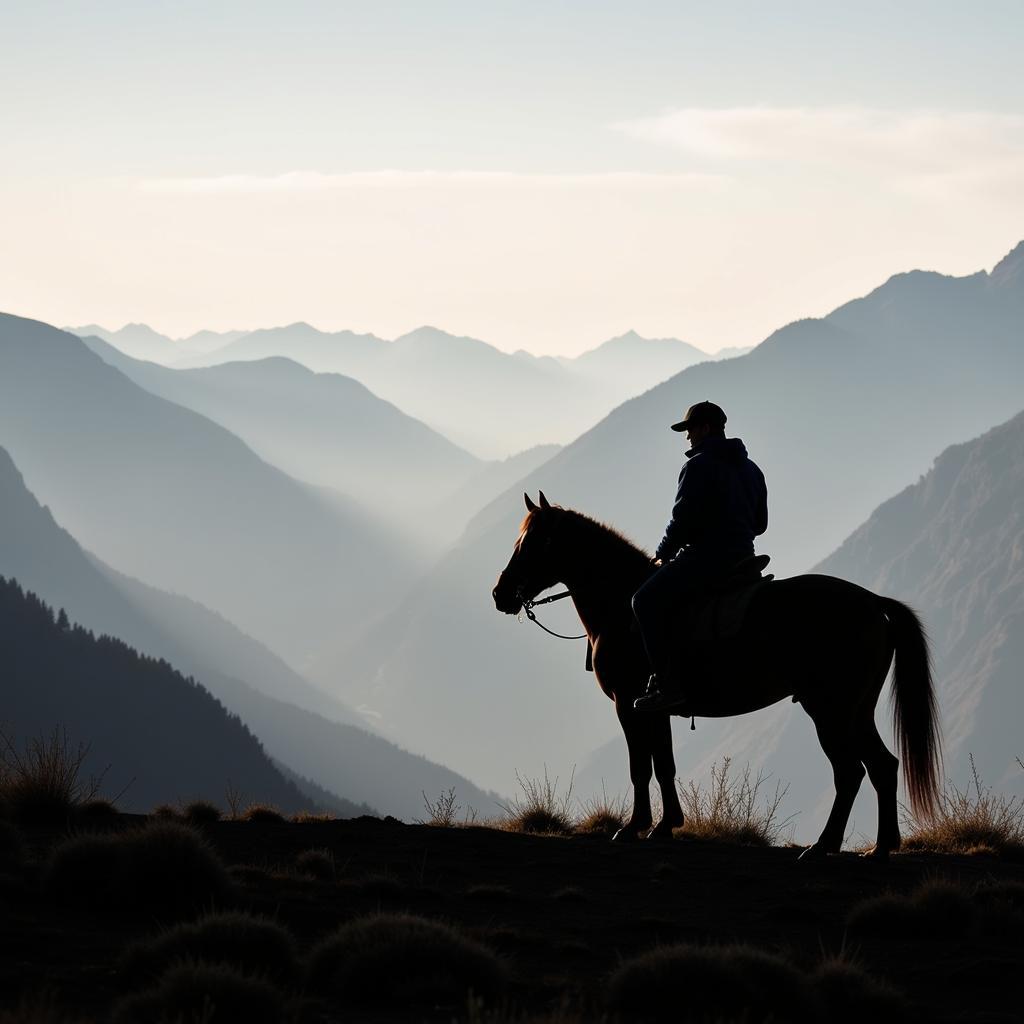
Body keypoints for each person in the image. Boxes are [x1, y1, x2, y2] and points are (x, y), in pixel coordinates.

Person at [633, 401, 768, 711]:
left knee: (644, 601)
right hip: (744, 559)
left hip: (707, 560)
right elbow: (759, 524)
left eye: (690, 430)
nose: (688, 438)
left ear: (706, 428)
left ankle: (668, 686)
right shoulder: (752, 469)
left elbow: (681, 521)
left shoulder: (697, 466)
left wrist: (662, 554)